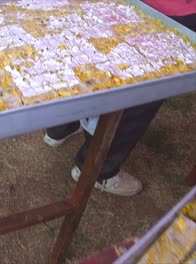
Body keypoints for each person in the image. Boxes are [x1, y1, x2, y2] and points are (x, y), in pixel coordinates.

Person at [43, 0, 196, 197]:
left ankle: (60, 128)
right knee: (141, 93)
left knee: (88, 57)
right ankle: (99, 170)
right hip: (173, 10)